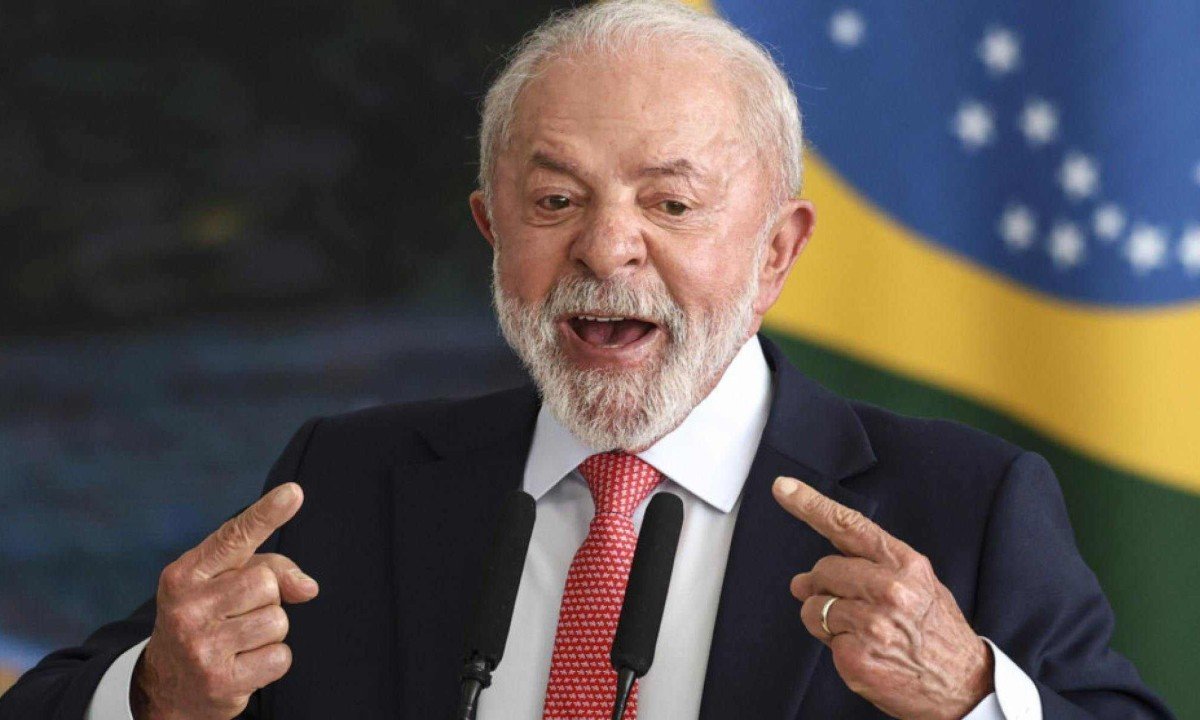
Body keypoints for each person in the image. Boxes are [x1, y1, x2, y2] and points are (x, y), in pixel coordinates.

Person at [0, 2, 1175, 718]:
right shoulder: (346, 483)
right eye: (555, 199)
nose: (607, 248)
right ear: (490, 231)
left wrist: (970, 698)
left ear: (778, 249)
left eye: (671, 202)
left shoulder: (960, 506)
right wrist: (159, 694)